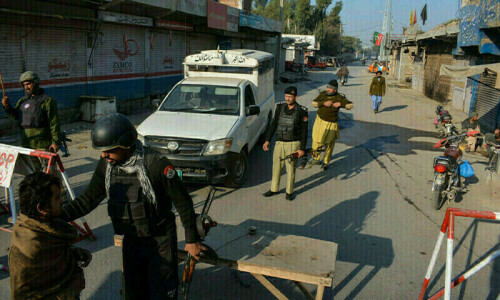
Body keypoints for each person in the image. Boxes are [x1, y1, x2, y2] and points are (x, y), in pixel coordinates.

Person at [59, 113, 203, 299]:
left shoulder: (156, 164)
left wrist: (191, 240)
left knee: (162, 293)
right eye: (102, 151)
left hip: (160, 239)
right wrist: (55, 217)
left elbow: (183, 203)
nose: (103, 155)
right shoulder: (107, 166)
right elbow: (87, 200)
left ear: (126, 144)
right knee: (133, 293)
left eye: (109, 150)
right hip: (132, 240)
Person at [9, 172, 92, 300]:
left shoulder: (43, 227)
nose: (62, 200)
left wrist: (72, 254)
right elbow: (23, 295)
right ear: (42, 208)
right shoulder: (28, 248)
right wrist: (70, 290)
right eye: (57, 198)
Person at [2, 71, 61, 171]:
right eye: (24, 85)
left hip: (43, 145)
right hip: (27, 144)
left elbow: (54, 122)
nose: (26, 87)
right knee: (34, 171)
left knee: (50, 172)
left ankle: (57, 187)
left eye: (28, 84)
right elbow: (17, 116)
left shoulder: (47, 100)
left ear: (36, 82)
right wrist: (7, 107)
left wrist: (55, 142)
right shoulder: (22, 101)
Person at [262, 86, 308, 201]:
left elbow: (304, 131)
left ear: (296, 97)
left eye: (290, 97)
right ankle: (274, 189)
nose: (287, 99)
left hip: (293, 144)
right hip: (279, 143)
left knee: (290, 169)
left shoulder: (302, 111)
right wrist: (267, 139)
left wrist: (302, 149)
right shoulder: (279, 108)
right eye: (286, 96)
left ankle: (289, 191)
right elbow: (273, 125)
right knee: (276, 167)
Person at [307, 79, 353, 171]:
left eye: (330, 88)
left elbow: (350, 105)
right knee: (316, 141)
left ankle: (326, 162)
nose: (328, 89)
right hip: (319, 121)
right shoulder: (323, 94)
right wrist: (323, 103)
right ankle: (316, 158)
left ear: (335, 89)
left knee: (329, 144)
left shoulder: (339, 97)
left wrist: (341, 104)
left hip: (331, 124)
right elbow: (313, 103)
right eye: (328, 87)